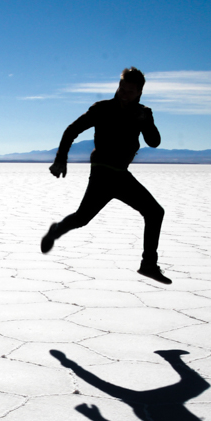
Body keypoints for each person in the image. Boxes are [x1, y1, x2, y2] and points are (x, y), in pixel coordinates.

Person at [40, 67, 170, 284]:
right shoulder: (102, 109)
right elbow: (72, 130)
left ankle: (148, 265)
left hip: (121, 175)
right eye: (122, 88)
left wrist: (146, 121)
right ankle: (57, 230)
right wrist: (61, 158)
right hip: (103, 174)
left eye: (130, 91)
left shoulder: (143, 113)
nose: (124, 93)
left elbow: (154, 142)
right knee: (84, 218)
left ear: (139, 92)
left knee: (153, 212)